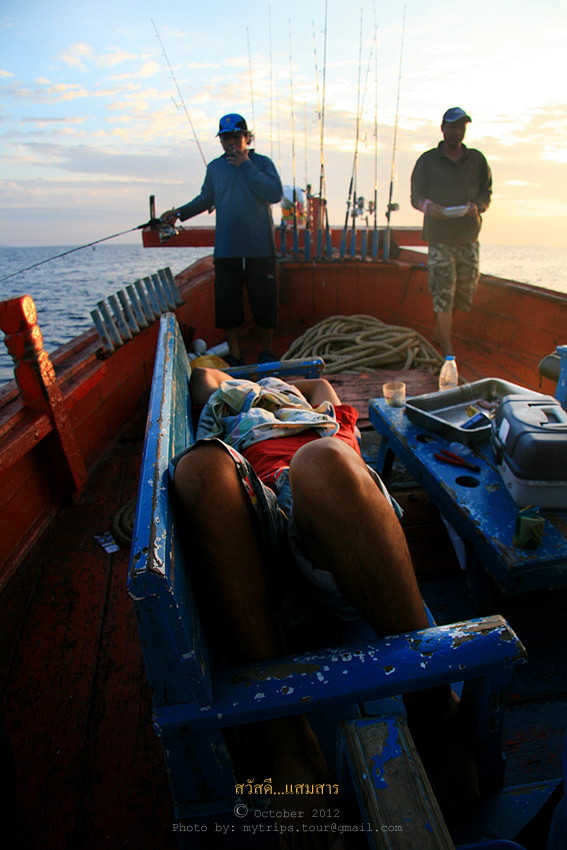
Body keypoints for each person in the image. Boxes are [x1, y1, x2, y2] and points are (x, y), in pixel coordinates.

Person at [171, 366, 480, 848]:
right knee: (199, 471)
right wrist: (250, 382)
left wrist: (289, 385)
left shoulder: (325, 419)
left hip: (338, 531)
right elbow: (202, 376)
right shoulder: (235, 410)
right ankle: (287, 736)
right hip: (255, 522)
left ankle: (434, 706)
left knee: (323, 459)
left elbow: (317, 385)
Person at [161, 113, 283, 366]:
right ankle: (236, 356)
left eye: (236, 136)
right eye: (225, 137)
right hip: (227, 250)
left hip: (260, 250)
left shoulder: (261, 163)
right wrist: (178, 214)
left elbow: (274, 193)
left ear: (247, 138)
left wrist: (245, 165)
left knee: (265, 304)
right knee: (229, 308)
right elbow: (205, 199)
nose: (230, 142)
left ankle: (267, 350)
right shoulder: (215, 168)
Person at [411, 107, 492, 357]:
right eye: (452, 127)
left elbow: (486, 194)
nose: (457, 132)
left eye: (461, 127)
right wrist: (428, 207)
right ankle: (447, 346)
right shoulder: (427, 160)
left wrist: (476, 206)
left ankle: (439, 331)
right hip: (439, 237)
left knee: (465, 290)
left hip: (468, 235)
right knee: (444, 290)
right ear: (442, 128)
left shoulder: (477, 159)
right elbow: (416, 197)